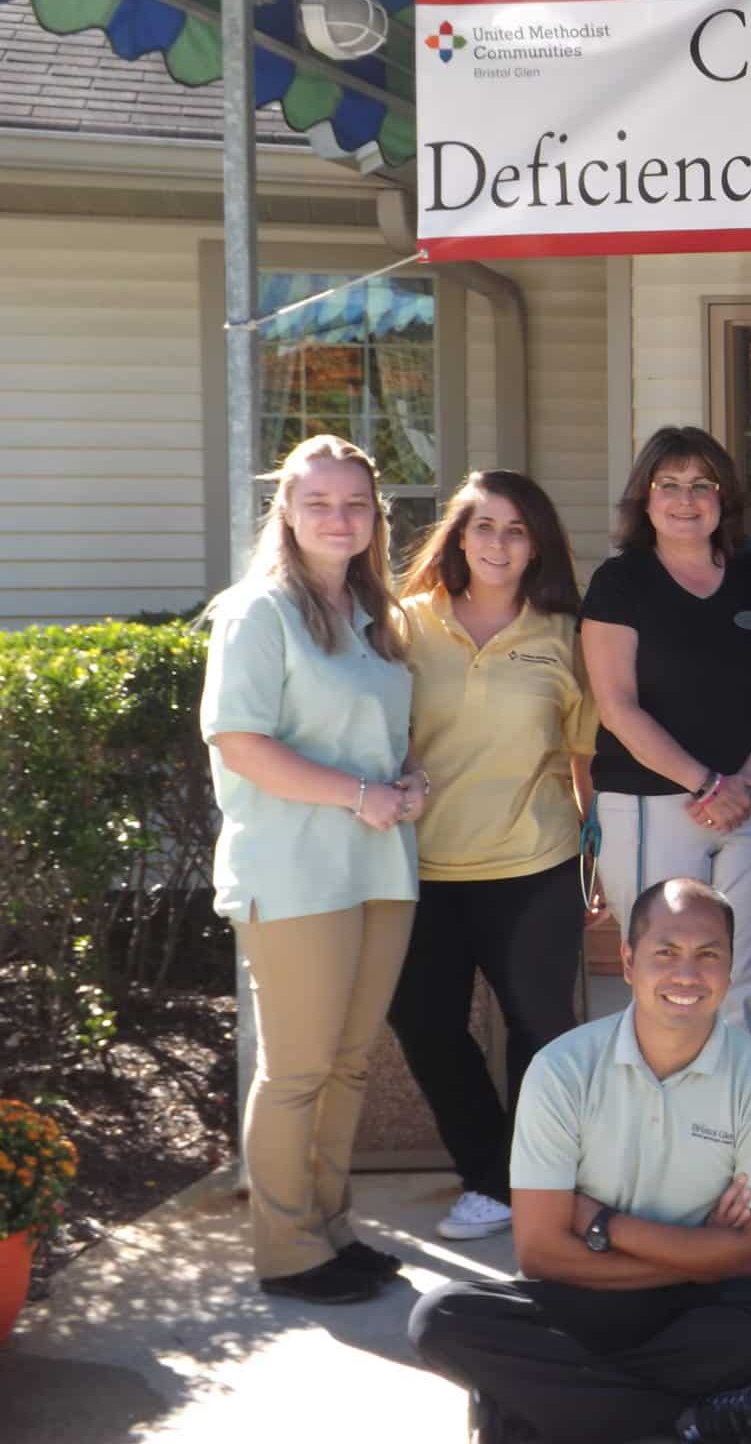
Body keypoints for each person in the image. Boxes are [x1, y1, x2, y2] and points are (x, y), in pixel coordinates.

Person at [409, 878, 751, 1444]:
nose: (687, 975)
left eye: (709, 956)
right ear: (629, 962)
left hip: (699, 1308)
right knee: (441, 1318)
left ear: (730, 968)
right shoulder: (562, 1069)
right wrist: (704, 1252)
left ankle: (537, 1408)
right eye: (665, 954)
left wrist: (602, 1223)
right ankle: (697, 1421)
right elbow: (540, 1253)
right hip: (586, 1299)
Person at [200, 433, 424, 1305]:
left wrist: (404, 782)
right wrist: (362, 793)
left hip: (376, 866)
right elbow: (241, 742)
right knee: (297, 1068)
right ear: (286, 513)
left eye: (356, 504)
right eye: (320, 502)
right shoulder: (259, 612)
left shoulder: (376, 618)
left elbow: (372, 739)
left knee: (353, 1062)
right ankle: (288, 1250)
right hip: (294, 873)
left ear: (377, 518)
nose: (340, 518)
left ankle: (332, 1229)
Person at [393, 471, 597, 1245]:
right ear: (458, 536)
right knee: (423, 1021)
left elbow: (584, 761)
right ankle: (489, 1172)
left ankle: (537, 1178)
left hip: (534, 862)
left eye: (517, 529)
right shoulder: (406, 625)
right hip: (423, 867)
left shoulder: (564, 635)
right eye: (485, 526)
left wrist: (596, 861)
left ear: (537, 543)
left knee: (541, 1026)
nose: (500, 543)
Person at [582, 428, 751, 1041]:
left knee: (745, 979)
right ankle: (661, 1132)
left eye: (702, 485)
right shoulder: (619, 583)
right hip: (654, 805)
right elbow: (617, 708)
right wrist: (708, 785)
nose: (687, 500)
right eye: (670, 486)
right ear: (645, 500)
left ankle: (739, 1131)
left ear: (723, 498)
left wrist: (748, 783)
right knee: (666, 983)